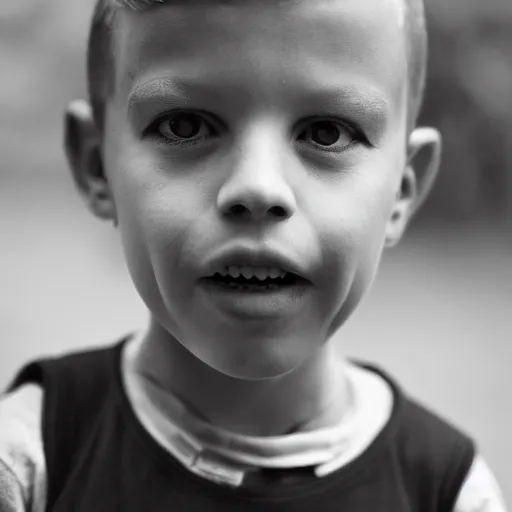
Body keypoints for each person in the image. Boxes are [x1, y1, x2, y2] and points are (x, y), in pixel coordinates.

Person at [0, 0, 508, 510]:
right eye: (185, 126)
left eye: (326, 133)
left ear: (402, 190)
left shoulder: (448, 493)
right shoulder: (29, 461)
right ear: (96, 165)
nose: (258, 187)